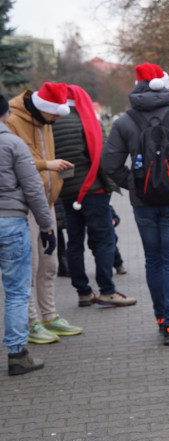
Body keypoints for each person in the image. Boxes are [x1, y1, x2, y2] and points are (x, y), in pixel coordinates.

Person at [101, 62, 169, 345]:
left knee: (153, 261)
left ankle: (160, 317)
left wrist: (135, 184)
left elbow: (109, 165)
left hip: (143, 204)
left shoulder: (125, 122)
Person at [7, 82, 84, 344]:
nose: (56, 120)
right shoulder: (12, 120)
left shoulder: (46, 122)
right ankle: (31, 322)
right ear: (43, 109)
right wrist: (46, 164)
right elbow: (12, 161)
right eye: (54, 115)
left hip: (46, 201)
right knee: (30, 266)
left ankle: (49, 316)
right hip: (21, 205)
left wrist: (56, 175)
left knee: (49, 263)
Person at [52, 84, 137, 309]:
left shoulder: (52, 124)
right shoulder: (88, 120)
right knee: (103, 240)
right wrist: (111, 186)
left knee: (75, 241)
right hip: (93, 190)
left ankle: (83, 292)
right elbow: (103, 157)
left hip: (66, 191)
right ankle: (107, 290)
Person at [0, 94, 55, 375]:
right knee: (17, 292)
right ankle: (17, 354)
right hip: (10, 223)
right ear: (5, 114)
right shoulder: (12, 143)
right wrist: (46, 226)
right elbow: (34, 188)